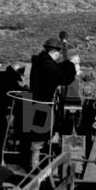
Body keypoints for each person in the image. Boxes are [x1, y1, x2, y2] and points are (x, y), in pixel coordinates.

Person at [27, 38, 79, 168]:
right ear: (55, 52)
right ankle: (34, 166)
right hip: (42, 105)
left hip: (38, 103)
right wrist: (70, 64)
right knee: (39, 136)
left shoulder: (40, 63)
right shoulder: (47, 66)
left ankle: (36, 163)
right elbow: (64, 77)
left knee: (39, 135)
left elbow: (56, 69)